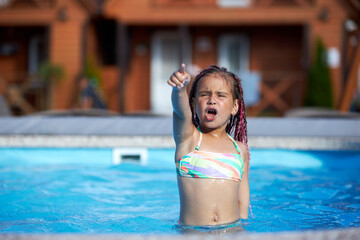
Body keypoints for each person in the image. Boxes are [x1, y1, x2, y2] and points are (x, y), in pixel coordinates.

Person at [168, 64, 250, 232]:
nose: (212, 99)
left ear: (235, 107)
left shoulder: (239, 150)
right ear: (193, 103)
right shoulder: (188, 140)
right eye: (204, 94)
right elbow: (180, 113)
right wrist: (179, 90)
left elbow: (242, 203)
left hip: (232, 232)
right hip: (193, 233)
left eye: (221, 95)